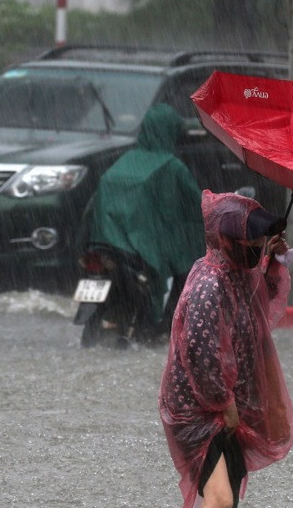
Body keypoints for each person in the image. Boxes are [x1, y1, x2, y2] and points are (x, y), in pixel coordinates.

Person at [158, 190, 293, 508]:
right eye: (252, 238)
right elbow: (202, 354)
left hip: (227, 408)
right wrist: (224, 404)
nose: (258, 244)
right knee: (219, 506)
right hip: (201, 411)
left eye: (261, 237)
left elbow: (263, 307)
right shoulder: (210, 285)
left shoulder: (239, 274)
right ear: (227, 239)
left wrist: (273, 262)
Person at [86, 103, 205, 337]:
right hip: (140, 249)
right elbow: (196, 203)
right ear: (171, 132)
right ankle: (158, 328)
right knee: (176, 270)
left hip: (104, 242)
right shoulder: (172, 166)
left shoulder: (126, 159)